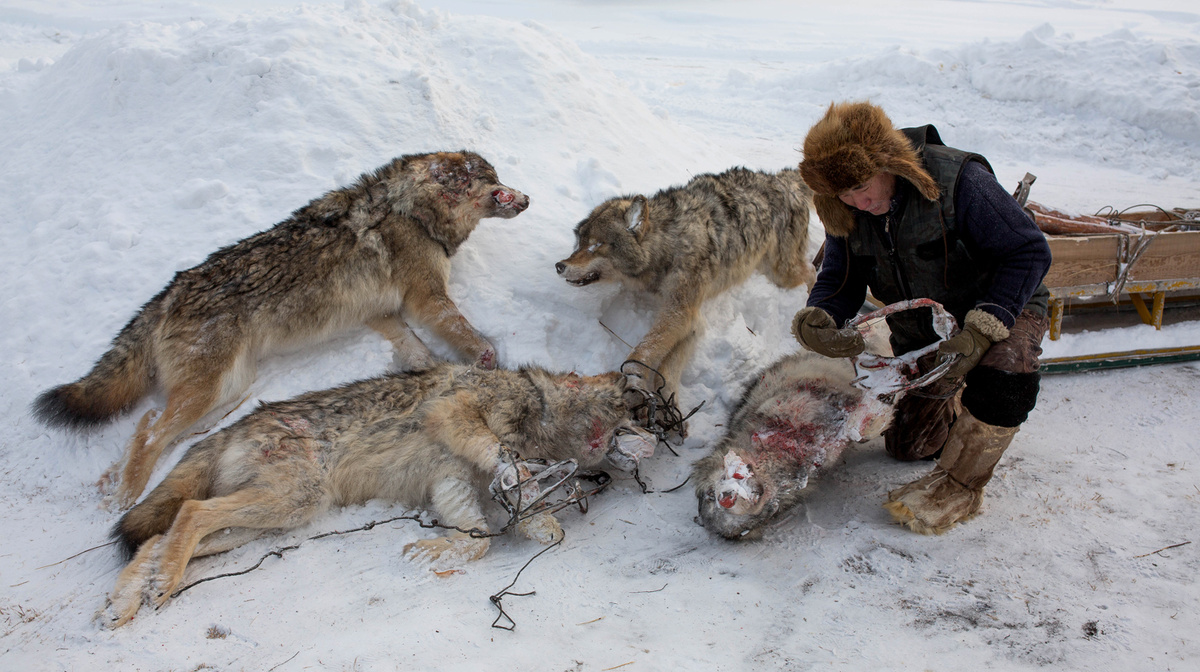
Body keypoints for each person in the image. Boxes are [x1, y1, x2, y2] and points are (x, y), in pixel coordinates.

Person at [792, 100, 1052, 534]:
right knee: (908, 447)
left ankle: (960, 486)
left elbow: (1028, 250)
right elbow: (840, 276)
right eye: (843, 194)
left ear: (886, 161)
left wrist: (985, 326)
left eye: (861, 187)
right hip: (927, 330)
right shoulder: (846, 207)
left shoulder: (960, 180)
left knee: (1004, 373)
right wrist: (819, 316)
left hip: (1001, 305)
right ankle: (956, 399)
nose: (857, 202)